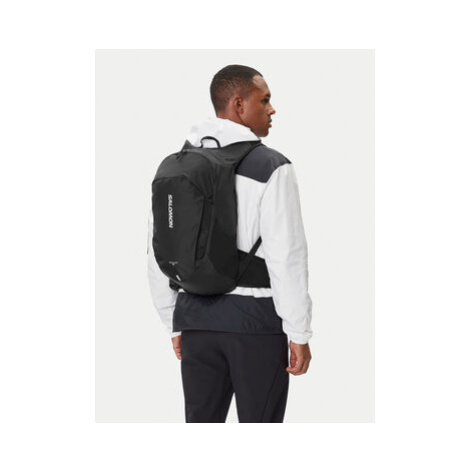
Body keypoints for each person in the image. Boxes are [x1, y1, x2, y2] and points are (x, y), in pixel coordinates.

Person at [147, 64, 313, 423]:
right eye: (264, 100)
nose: (272, 109)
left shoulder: (178, 165)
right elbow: (287, 256)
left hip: (195, 321)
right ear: (239, 104)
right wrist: (298, 331)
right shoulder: (272, 166)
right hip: (255, 326)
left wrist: (173, 322)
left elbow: (159, 250)